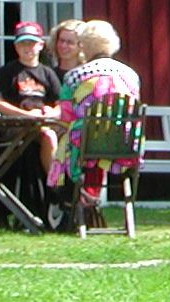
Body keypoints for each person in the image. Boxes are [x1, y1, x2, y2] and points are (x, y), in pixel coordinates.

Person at [51, 19, 142, 214]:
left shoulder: (75, 76)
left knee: (65, 140)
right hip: (124, 143)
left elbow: (66, 116)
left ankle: (70, 201)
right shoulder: (131, 75)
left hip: (86, 144)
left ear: (84, 45)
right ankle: (90, 197)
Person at [0, 20, 63, 177]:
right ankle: (56, 185)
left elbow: (61, 105)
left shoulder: (48, 73)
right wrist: (27, 115)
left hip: (43, 122)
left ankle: (75, 186)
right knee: (49, 135)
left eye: (32, 43)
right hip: (15, 124)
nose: (27, 48)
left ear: (41, 45)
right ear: (16, 47)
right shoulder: (9, 71)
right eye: (23, 44)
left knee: (70, 137)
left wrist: (51, 113)